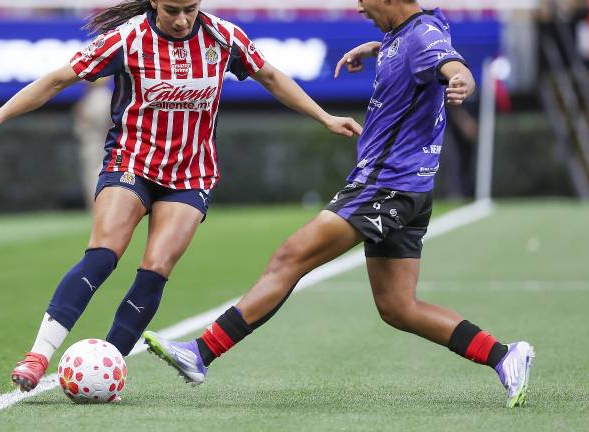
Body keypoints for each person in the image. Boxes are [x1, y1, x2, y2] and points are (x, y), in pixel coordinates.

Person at [143, 0, 535, 409]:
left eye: (365, 0)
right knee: (398, 307)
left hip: (385, 187)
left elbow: (450, 64)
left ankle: (200, 353)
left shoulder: (422, 37)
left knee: (290, 258)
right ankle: (505, 355)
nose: (360, 7)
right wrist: (375, 49)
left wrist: (462, 81)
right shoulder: (415, 27)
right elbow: (422, 44)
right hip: (409, 189)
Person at [0, 0, 362, 392]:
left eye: (190, 9)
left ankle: (108, 369)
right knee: (103, 254)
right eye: (172, 10)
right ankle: (37, 355)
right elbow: (56, 80)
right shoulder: (127, 39)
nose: (182, 19)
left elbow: (272, 77)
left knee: (155, 269)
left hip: (191, 175)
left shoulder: (223, 37)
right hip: (132, 164)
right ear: (154, 3)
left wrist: (325, 117)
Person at [74, 79, 114, 206]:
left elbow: (99, 121)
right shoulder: (91, 96)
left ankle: (99, 206)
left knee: (96, 175)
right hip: (93, 141)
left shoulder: (102, 96)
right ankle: (96, 206)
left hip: (100, 142)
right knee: (91, 175)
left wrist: (82, 113)